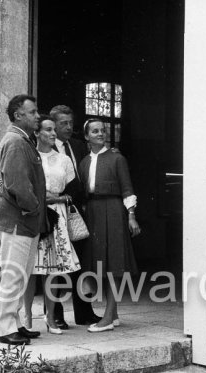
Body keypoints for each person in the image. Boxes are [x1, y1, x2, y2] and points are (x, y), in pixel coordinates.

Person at [0, 94, 47, 345]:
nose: (38, 116)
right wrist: (35, 207)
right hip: (19, 221)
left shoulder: (22, 140)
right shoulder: (16, 142)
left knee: (20, 275)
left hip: (23, 221)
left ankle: (15, 323)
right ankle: (6, 329)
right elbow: (17, 185)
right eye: (33, 112)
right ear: (18, 115)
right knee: (14, 275)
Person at [79, 118, 141, 332]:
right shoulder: (84, 162)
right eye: (95, 131)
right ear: (87, 136)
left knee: (114, 264)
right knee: (100, 265)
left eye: (102, 130)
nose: (100, 134)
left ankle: (107, 316)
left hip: (114, 211)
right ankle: (113, 314)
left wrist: (131, 215)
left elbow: (127, 188)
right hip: (93, 213)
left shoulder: (117, 158)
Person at [23, 115, 82, 335]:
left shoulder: (64, 160)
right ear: (37, 133)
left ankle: (51, 318)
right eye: (48, 130)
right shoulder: (29, 155)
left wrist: (56, 198)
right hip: (34, 213)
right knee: (30, 269)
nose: (53, 133)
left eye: (54, 130)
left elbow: (73, 192)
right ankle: (27, 317)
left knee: (52, 270)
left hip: (56, 217)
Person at [49, 105, 101, 328]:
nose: (68, 127)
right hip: (54, 211)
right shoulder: (44, 147)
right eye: (63, 123)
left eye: (70, 123)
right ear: (53, 125)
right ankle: (56, 314)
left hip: (77, 212)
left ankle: (84, 312)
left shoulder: (79, 146)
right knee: (57, 263)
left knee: (82, 263)